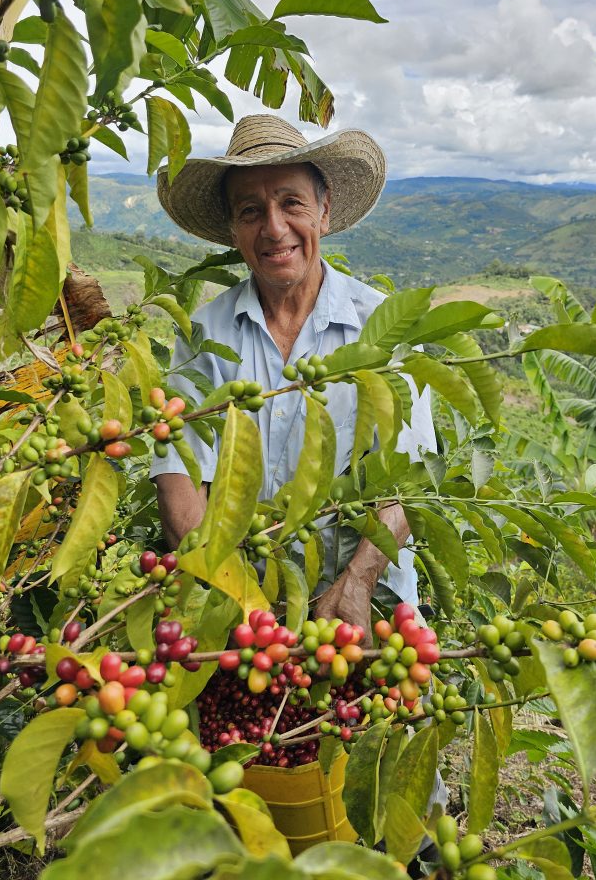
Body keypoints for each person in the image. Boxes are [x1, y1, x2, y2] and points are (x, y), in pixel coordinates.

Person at [151, 114, 436, 636]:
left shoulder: (381, 328)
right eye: (251, 211)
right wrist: (239, 597)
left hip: (370, 611)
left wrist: (357, 582)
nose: (274, 228)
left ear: (324, 212)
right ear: (234, 231)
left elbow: (411, 484)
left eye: (291, 203)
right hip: (239, 612)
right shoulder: (205, 335)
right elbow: (180, 476)